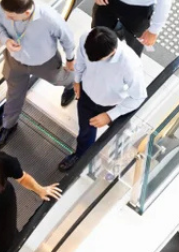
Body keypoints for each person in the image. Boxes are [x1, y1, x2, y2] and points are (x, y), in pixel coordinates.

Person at [0, 0, 77, 147]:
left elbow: (67, 37)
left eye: (11, 17)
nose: (6, 17)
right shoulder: (5, 8)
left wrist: (70, 59)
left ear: (26, 13)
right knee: (13, 94)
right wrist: (5, 40)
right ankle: (9, 126)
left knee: (59, 79)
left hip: (45, 62)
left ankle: (70, 85)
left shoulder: (49, 18)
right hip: (15, 61)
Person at [59, 27, 147, 171]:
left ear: (112, 52)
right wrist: (77, 79)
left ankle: (123, 153)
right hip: (86, 96)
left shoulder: (130, 64)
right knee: (85, 130)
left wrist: (109, 115)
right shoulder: (86, 38)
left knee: (121, 133)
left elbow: (139, 97)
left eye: (99, 60)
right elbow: (81, 60)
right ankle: (81, 155)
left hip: (112, 104)